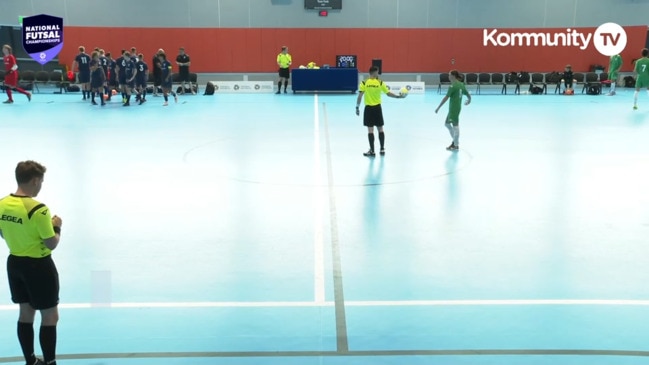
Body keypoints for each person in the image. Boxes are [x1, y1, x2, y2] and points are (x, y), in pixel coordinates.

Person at [0, 160, 62, 365]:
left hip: (15, 264)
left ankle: (31, 361)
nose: (41, 186)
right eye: (41, 182)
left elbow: (2, 233)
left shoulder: (1, 204)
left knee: (25, 314)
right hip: (39, 267)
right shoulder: (39, 210)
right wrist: (57, 227)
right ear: (35, 181)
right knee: (50, 316)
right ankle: (50, 362)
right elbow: (51, 243)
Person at [355, 66, 404, 157]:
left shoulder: (364, 83)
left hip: (369, 109)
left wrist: (357, 107)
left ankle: (372, 151)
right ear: (373, 73)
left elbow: (360, 96)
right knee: (380, 129)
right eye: (377, 72)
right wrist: (398, 96)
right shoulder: (380, 82)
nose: (378, 74)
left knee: (370, 130)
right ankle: (382, 149)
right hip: (377, 109)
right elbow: (388, 94)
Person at [435, 70, 471, 151]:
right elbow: (467, 93)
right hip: (456, 107)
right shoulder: (461, 84)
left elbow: (446, 98)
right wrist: (469, 100)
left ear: (453, 76)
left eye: (449, 75)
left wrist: (438, 107)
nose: (448, 76)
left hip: (454, 108)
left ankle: (455, 144)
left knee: (455, 125)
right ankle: (455, 142)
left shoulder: (453, 86)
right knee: (447, 124)